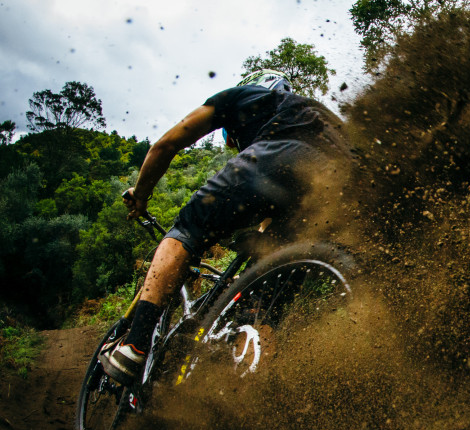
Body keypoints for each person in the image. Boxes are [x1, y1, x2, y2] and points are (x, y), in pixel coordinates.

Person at [99, 69, 352, 386]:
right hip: (335, 187)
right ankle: (252, 377)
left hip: (277, 157)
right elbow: (277, 214)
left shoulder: (242, 96)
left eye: (230, 141)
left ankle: (134, 346)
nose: (233, 145)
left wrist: (142, 196)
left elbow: (164, 146)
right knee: (263, 297)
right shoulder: (316, 113)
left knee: (187, 231)